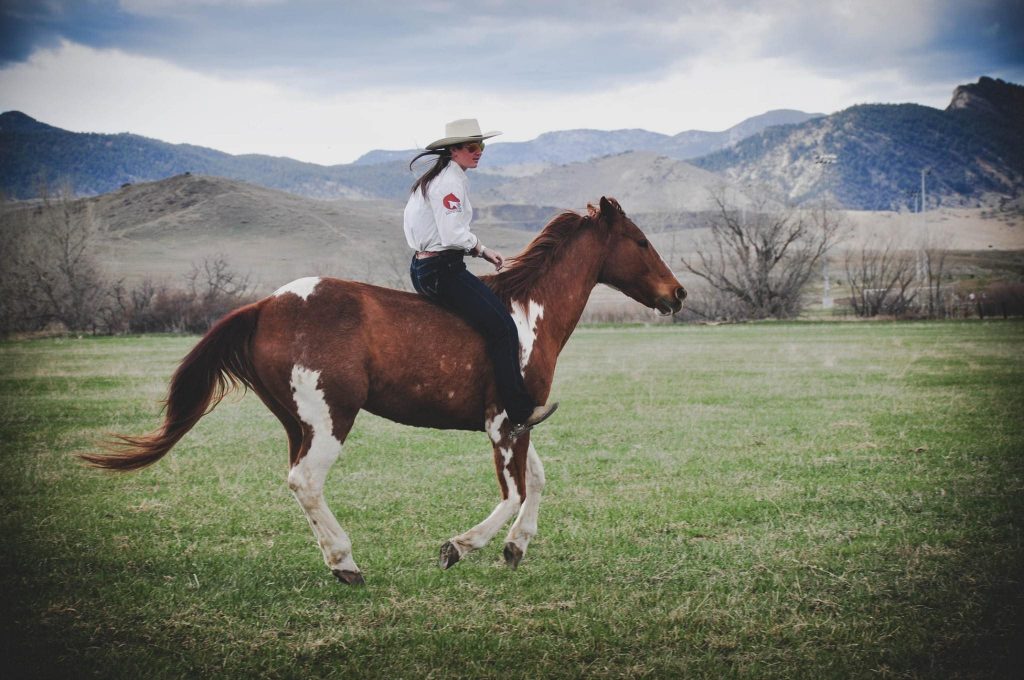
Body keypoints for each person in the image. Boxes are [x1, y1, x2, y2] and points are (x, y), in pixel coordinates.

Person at [404, 118, 557, 437]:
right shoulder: (449, 182)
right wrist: (481, 247)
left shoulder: (441, 179)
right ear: (454, 150)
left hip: (426, 266)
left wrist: (481, 251)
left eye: (481, 146)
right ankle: (519, 411)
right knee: (503, 328)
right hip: (442, 270)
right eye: (472, 147)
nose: (479, 152)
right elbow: (452, 233)